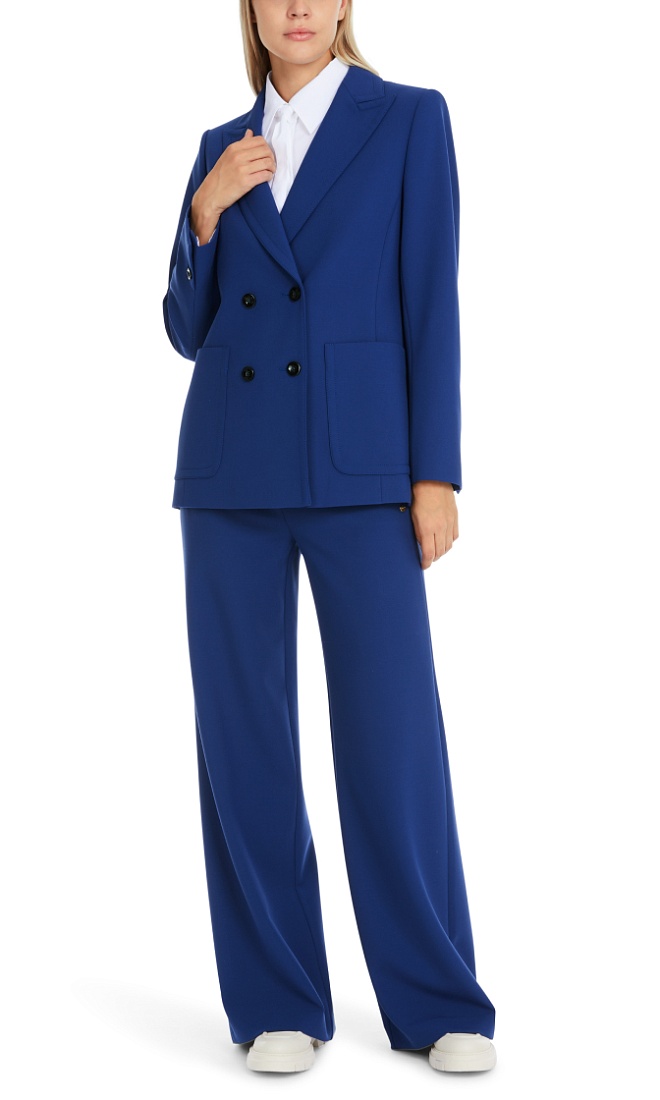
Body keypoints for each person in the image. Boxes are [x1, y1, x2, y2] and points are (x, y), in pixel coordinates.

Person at [162, 0, 497, 1075]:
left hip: (365, 472)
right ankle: (277, 999)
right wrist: (205, 214)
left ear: (346, 3)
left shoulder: (410, 120)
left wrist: (434, 473)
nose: (298, 6)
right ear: (251, 8)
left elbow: (432, 301)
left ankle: (439, 998)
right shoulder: (221, 146)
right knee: (243, 741)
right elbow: (186, 328)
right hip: (231, 472)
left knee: (393, 735)